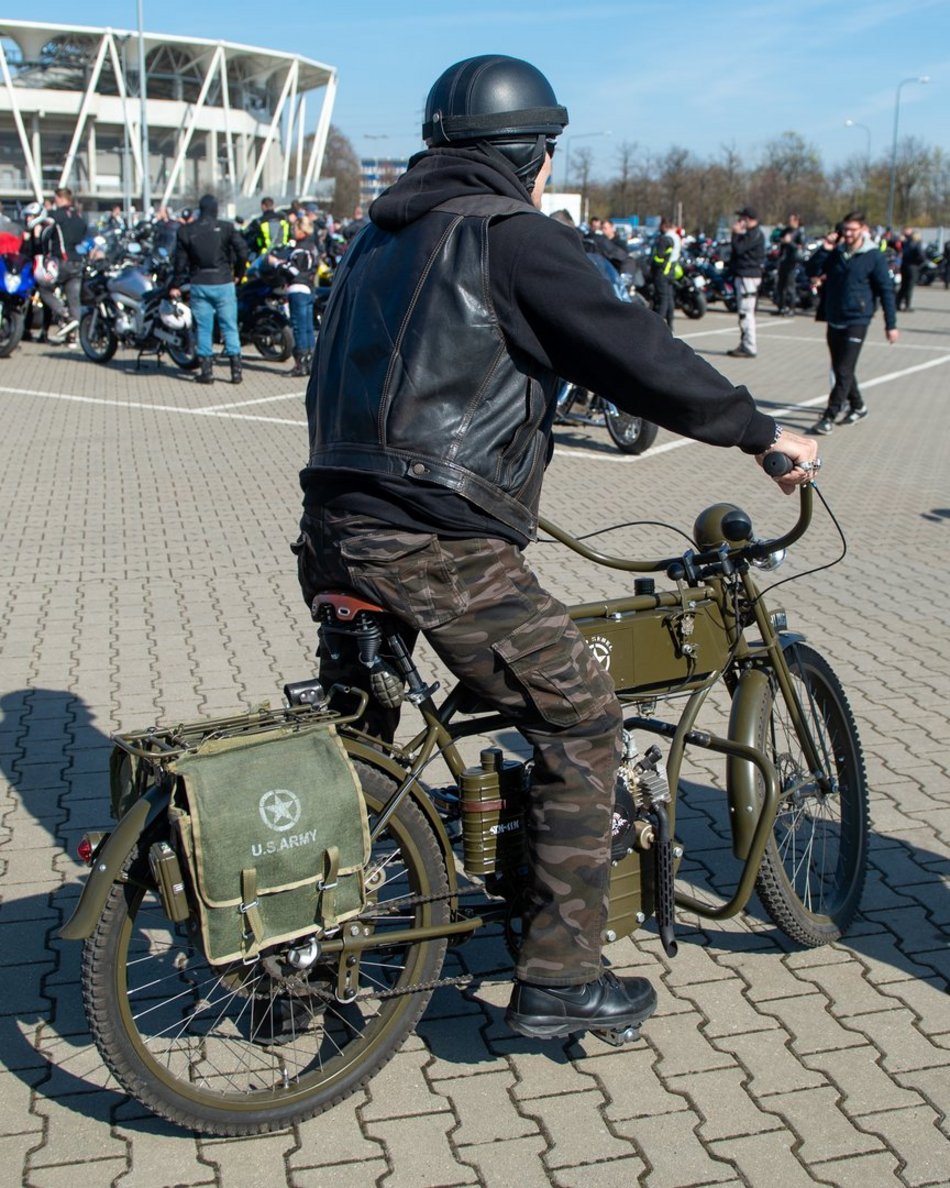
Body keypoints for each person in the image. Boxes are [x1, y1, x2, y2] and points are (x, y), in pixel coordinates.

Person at [293, 54, 817, 1044]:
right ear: (530, 153)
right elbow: (636, 352)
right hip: (431, 538)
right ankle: (559, 979)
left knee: (362, 742)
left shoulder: (377, 236)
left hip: (334, 527)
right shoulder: (507, 236)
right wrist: (759, 431)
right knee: (580, 716)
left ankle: (313, 933)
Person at [804, 210, 898, 435]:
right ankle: (858, 406)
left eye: (852, 230)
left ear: (863, 230)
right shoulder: (836, 253)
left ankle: (829, 416)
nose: (847, 234)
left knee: (844, 369)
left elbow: (886, 291)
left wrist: (890, 324)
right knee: (841, 368)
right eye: (844, 229)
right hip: (834, 316)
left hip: (858, 318)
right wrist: (825, 247)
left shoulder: (873, 255)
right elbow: (811, 269)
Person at [170, 193, 247, 385]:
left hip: (200, 281)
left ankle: (207, 371)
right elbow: (242, 251)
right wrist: (239, 272)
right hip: (223, 281)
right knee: (229, 326)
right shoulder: (227, 228)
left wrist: (175, 284)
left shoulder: (187, 231)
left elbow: (179, 262)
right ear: (216, 209)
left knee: (204, 328)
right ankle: (236, 371)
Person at [36, 186, 87, 345]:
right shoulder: (79, 218)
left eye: (56, 199)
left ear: (61, 199)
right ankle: (74, 338)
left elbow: (43, 231)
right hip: (78, 262)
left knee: (44, 286)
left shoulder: (56, 216)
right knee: (74, 299)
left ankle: (63, 313)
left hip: (61, 262)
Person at [271, 214, 319, 377]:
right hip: (309, 290)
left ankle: (300, 364)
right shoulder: (312, 247)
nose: (293, 231)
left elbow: (294, 271)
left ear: (302, 230)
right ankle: (311, 362)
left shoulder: (299, 249)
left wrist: (277, 263)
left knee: (299, 327)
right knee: (308, 327)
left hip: (298, 289)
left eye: (295, 228)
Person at [727, 206, 765, 357]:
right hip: (744, 275)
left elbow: (739, 249)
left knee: (746, 312)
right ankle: (745, 343)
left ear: (748, 219)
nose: (739, 222)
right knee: (743, 312)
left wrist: (735, 234)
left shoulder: (754, 234)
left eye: (741, 219)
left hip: (748, 276)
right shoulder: (751, 233)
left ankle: (749, 346)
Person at [650, 217, 681, 329]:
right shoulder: (676, 237)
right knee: (669, 298)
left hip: (663, 272)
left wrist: (653, 263)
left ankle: (658, 325)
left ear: (664, 226)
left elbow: (659, 257)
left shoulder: (665, 239)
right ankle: (670, 323)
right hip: (671, 271)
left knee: (662, 298)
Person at [772, 213, 804, 317]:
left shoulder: (799, 232)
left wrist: (790, 242)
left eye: (791, 220)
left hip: (792, 261)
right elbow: (777, 239)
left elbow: (800, 247)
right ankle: (781, 307)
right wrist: (781, 239)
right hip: (783, 260)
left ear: (796, 221)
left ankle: (791, 308)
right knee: (780, 285)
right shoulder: (786, 231)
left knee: (790, 286)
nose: (789, 222)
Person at [896, 228, 924, 312]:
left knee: (903, 286)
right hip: (913, 267)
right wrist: (920, 263)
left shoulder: (907, 243)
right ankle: (907, 306)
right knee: (909, 287)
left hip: (904, 266)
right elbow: (921, 255)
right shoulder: (917, 244)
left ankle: (897, 303)